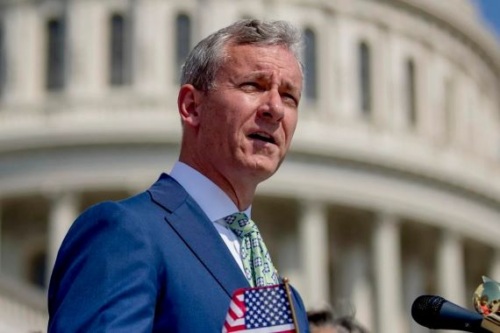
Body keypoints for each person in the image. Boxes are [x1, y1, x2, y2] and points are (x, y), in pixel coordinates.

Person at [47, 19, 310, 332]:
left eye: (289, 96)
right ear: (191, 107)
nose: (275, 109)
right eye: (253, 86)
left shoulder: (287, 301)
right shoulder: (126, 234)